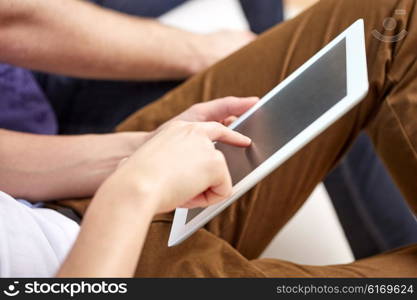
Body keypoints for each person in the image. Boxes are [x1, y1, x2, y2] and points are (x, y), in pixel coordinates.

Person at [0, 0, 417, 277]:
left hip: (68, 200)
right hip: (106, 268)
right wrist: (135, 190)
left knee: (394, 15)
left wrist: (140, 150)